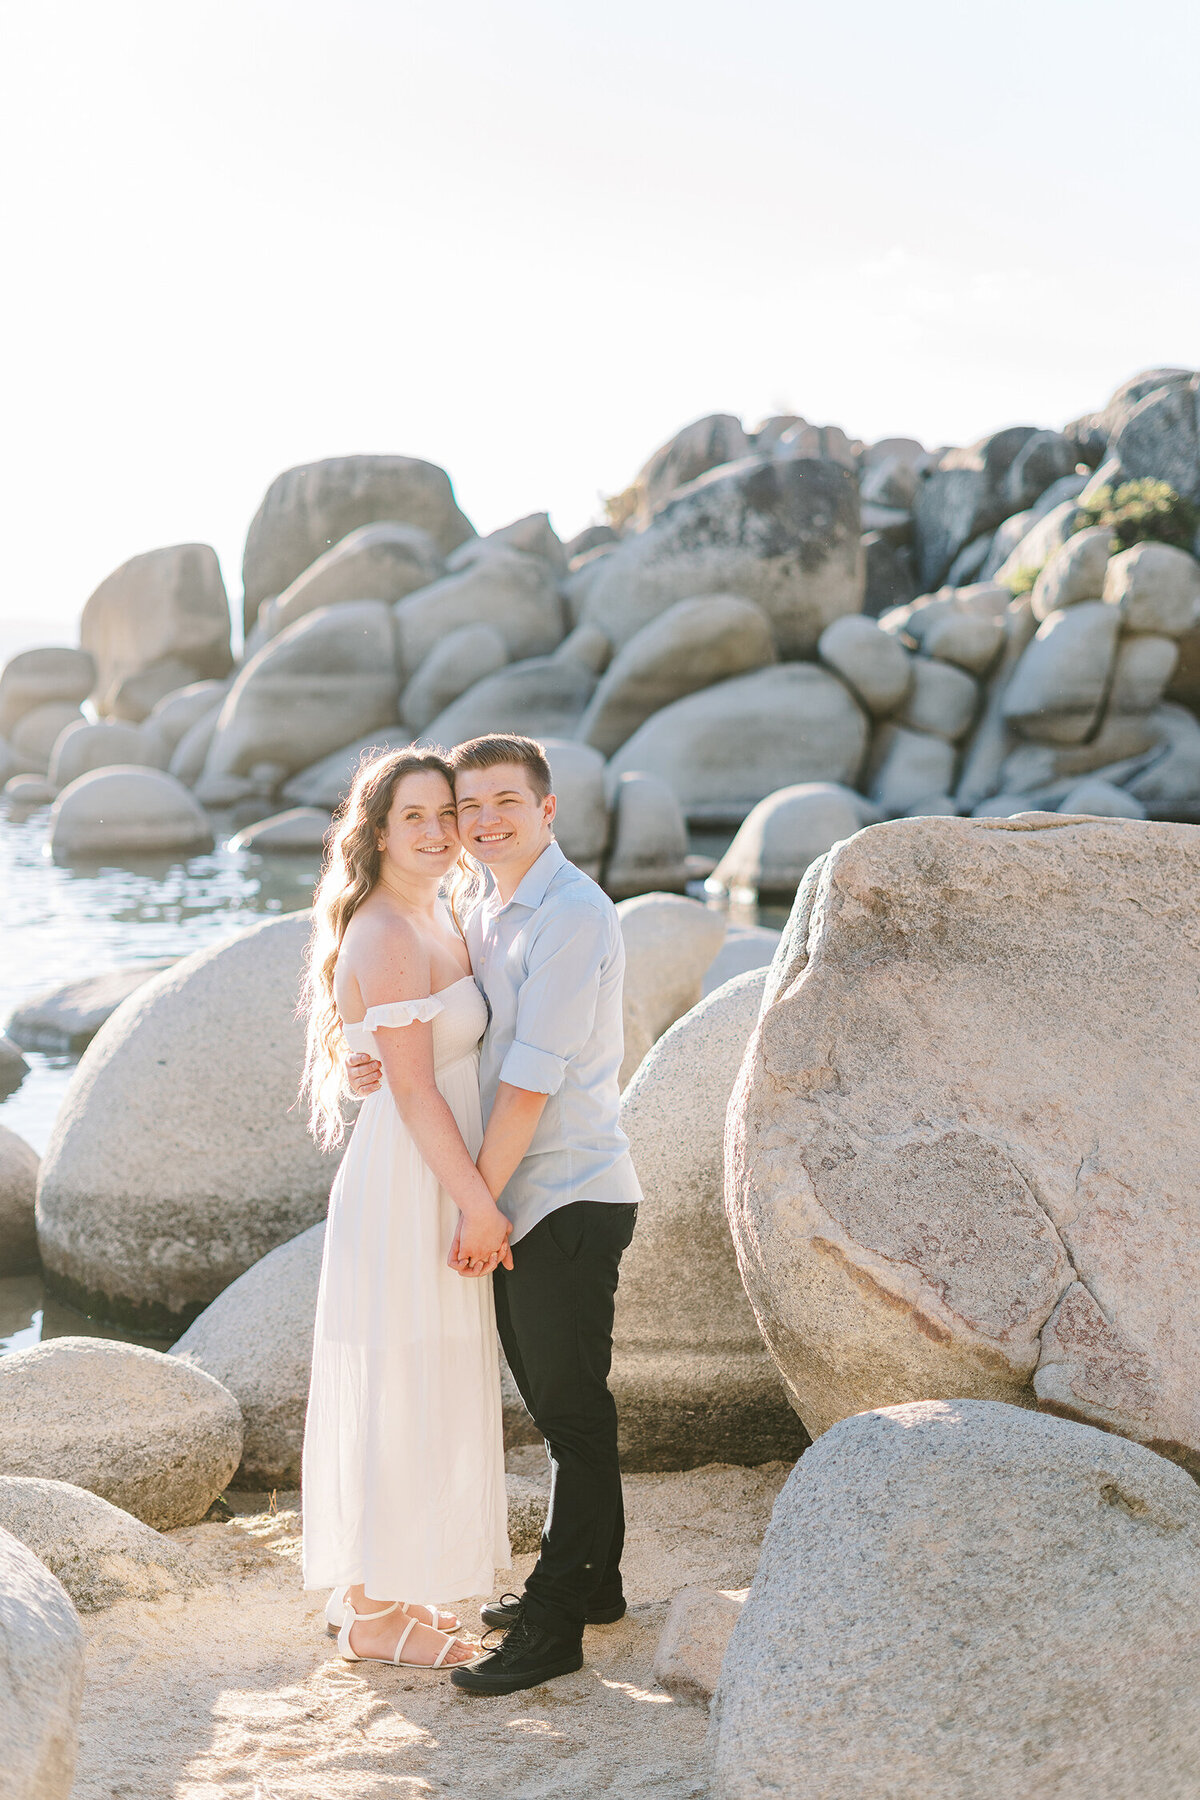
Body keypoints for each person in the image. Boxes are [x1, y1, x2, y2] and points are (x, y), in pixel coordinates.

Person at [347, 732, 642, 1697]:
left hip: (562, 1191)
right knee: (568, 1412)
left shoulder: (571, 915)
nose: (481, 822)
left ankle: (557, 1623)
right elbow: (434, 1038)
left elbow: (525, 1085)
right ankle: (595, 1586)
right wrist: (376, 1061)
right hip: (518, 1194)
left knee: (570, 1416)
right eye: (465, 807)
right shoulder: (485, 908)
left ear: (547, 808)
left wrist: (477, 1206)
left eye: (503, 802)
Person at [298, 746, 513, 1671]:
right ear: (377, 832)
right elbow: (417, 1092)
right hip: (415, 1181)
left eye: (444, 815)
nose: (435, 833)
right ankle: (376, 1612)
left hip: (440, 1167)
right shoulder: (387, 931)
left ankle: (386, 1591)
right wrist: (480, 1206)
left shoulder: (442, 916)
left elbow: (392, 1065)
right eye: (413, 818)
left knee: (429, 1377)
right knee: (403, 1378)